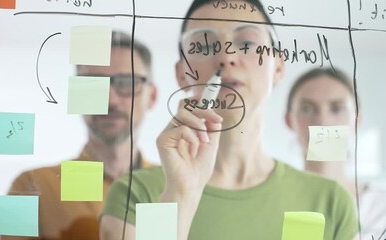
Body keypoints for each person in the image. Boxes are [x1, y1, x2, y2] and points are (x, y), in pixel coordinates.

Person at [100, 0, 358, 239]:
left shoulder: (330, 201)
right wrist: (181, 195)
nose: (225, 57)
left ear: (278, 68)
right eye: (204, 46)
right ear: (181, 75)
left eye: (246, 44)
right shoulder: (136, 194)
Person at [0, 31, 157, 240]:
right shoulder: (27, 187)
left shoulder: (175, 187)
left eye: (127, 83)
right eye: (93, 84)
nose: (110, 100)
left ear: (152, 96)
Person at [285, 67, 386, 239]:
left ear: (357, 119)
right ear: (289, 120)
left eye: (337, 108)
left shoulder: (382, 208)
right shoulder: (273, 201)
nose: (323, 122)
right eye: (307, 109)